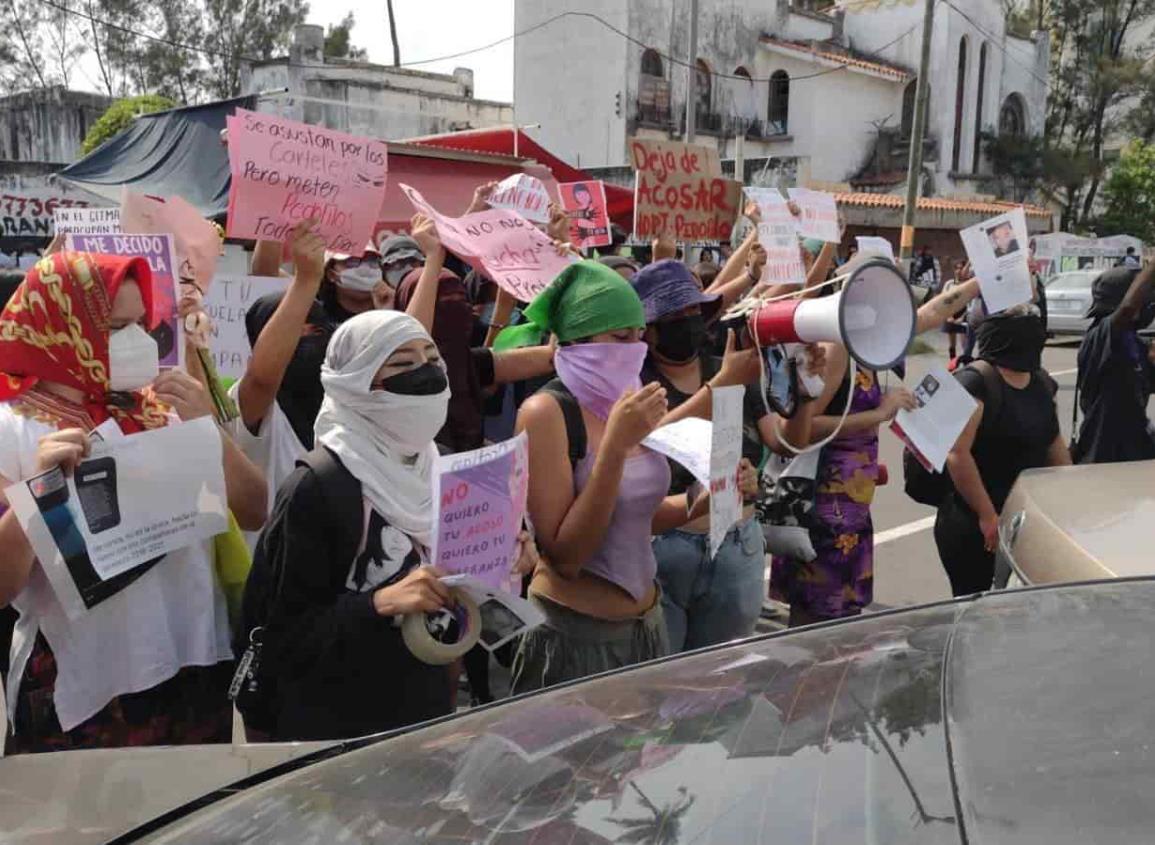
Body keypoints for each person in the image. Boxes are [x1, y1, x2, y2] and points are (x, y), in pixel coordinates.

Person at [0, 251, 267, 753]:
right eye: (116, 325)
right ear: (61, 328)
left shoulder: (161, 409)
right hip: (85, 687)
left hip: (191, 666)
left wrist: (207, 429)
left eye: (141, 323)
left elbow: (255, 508)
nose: (139, 340)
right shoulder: (11, 430)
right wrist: (37, 494)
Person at [243, 310, 536, 740]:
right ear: (355, 383)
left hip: (425, 718)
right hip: (336, 738)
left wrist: (507, 562)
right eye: (401, 364)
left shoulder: (447, 468)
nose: (427, 373)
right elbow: (280, 640)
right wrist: (378, 603)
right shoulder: (318, 487)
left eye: (432, 358)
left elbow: (462, 595)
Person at [504, 262, 755, 693]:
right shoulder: (546, 413)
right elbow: (566, 558)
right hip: (578, 636)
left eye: (640, 336)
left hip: (647, 627)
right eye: (621, 338)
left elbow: (639, 515)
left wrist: (709, 497)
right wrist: (616, 450)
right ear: (579, 340)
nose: (636, 349)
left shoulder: (625, 397)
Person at [771, 262, 982, 627]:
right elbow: (800, 429)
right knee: (816, 625)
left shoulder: (871, 341)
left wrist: (986, 278)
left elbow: (934, 311)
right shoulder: (837, 349)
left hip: (852, 506)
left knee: (839, 621)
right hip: (824, 506)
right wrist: (878, 413)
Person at [632, 259, 820, 651]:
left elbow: (786, 443)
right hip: (664, 548)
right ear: (648, 332)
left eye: (694, 312)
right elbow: (646, 442)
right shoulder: (637, 382)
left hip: (737, 545)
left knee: (720, 680)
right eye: (676, 316)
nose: (690, 322)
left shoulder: (731, 369)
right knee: (662, 680)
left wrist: (804, 393)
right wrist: (723, 384)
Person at [935, 309, 1071, 596]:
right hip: (973, 522)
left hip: (1024, 519)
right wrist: (987, 516)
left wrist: (1066, 503)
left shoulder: (1042, 383)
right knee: (971, 607)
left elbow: (1054, 444)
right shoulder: (974, 382)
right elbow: (957, 453)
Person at [1073, 265, 1155, 464]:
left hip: (1137, 451)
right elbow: (1127, 309)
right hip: (1103, 456)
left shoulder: (1135, 344)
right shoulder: (1099, 338)